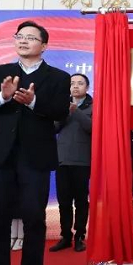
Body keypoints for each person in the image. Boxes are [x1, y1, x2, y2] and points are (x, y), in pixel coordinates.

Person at [0, 21, 71, 265]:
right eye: (19, 37)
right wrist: (2, 97)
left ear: (44, 45)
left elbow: (60, 111)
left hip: (35, 157)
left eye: (30, 37)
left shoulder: (58, 77)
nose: (23, 41)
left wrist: (33, 101)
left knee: (34, 219)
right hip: (0, 156)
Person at [50, 73, 93, 253]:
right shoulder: (61, 105)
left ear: (87, 87)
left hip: (82, 161)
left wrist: (76, 111)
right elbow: (53, 128)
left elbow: (92, 128)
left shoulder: (94, 106)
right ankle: (65, 236)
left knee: (81, 200)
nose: (75, 86)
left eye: (80, 83)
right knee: (64, 201)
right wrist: (65, 112)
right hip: (62, 160)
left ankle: (80, 236)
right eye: (72, 83)